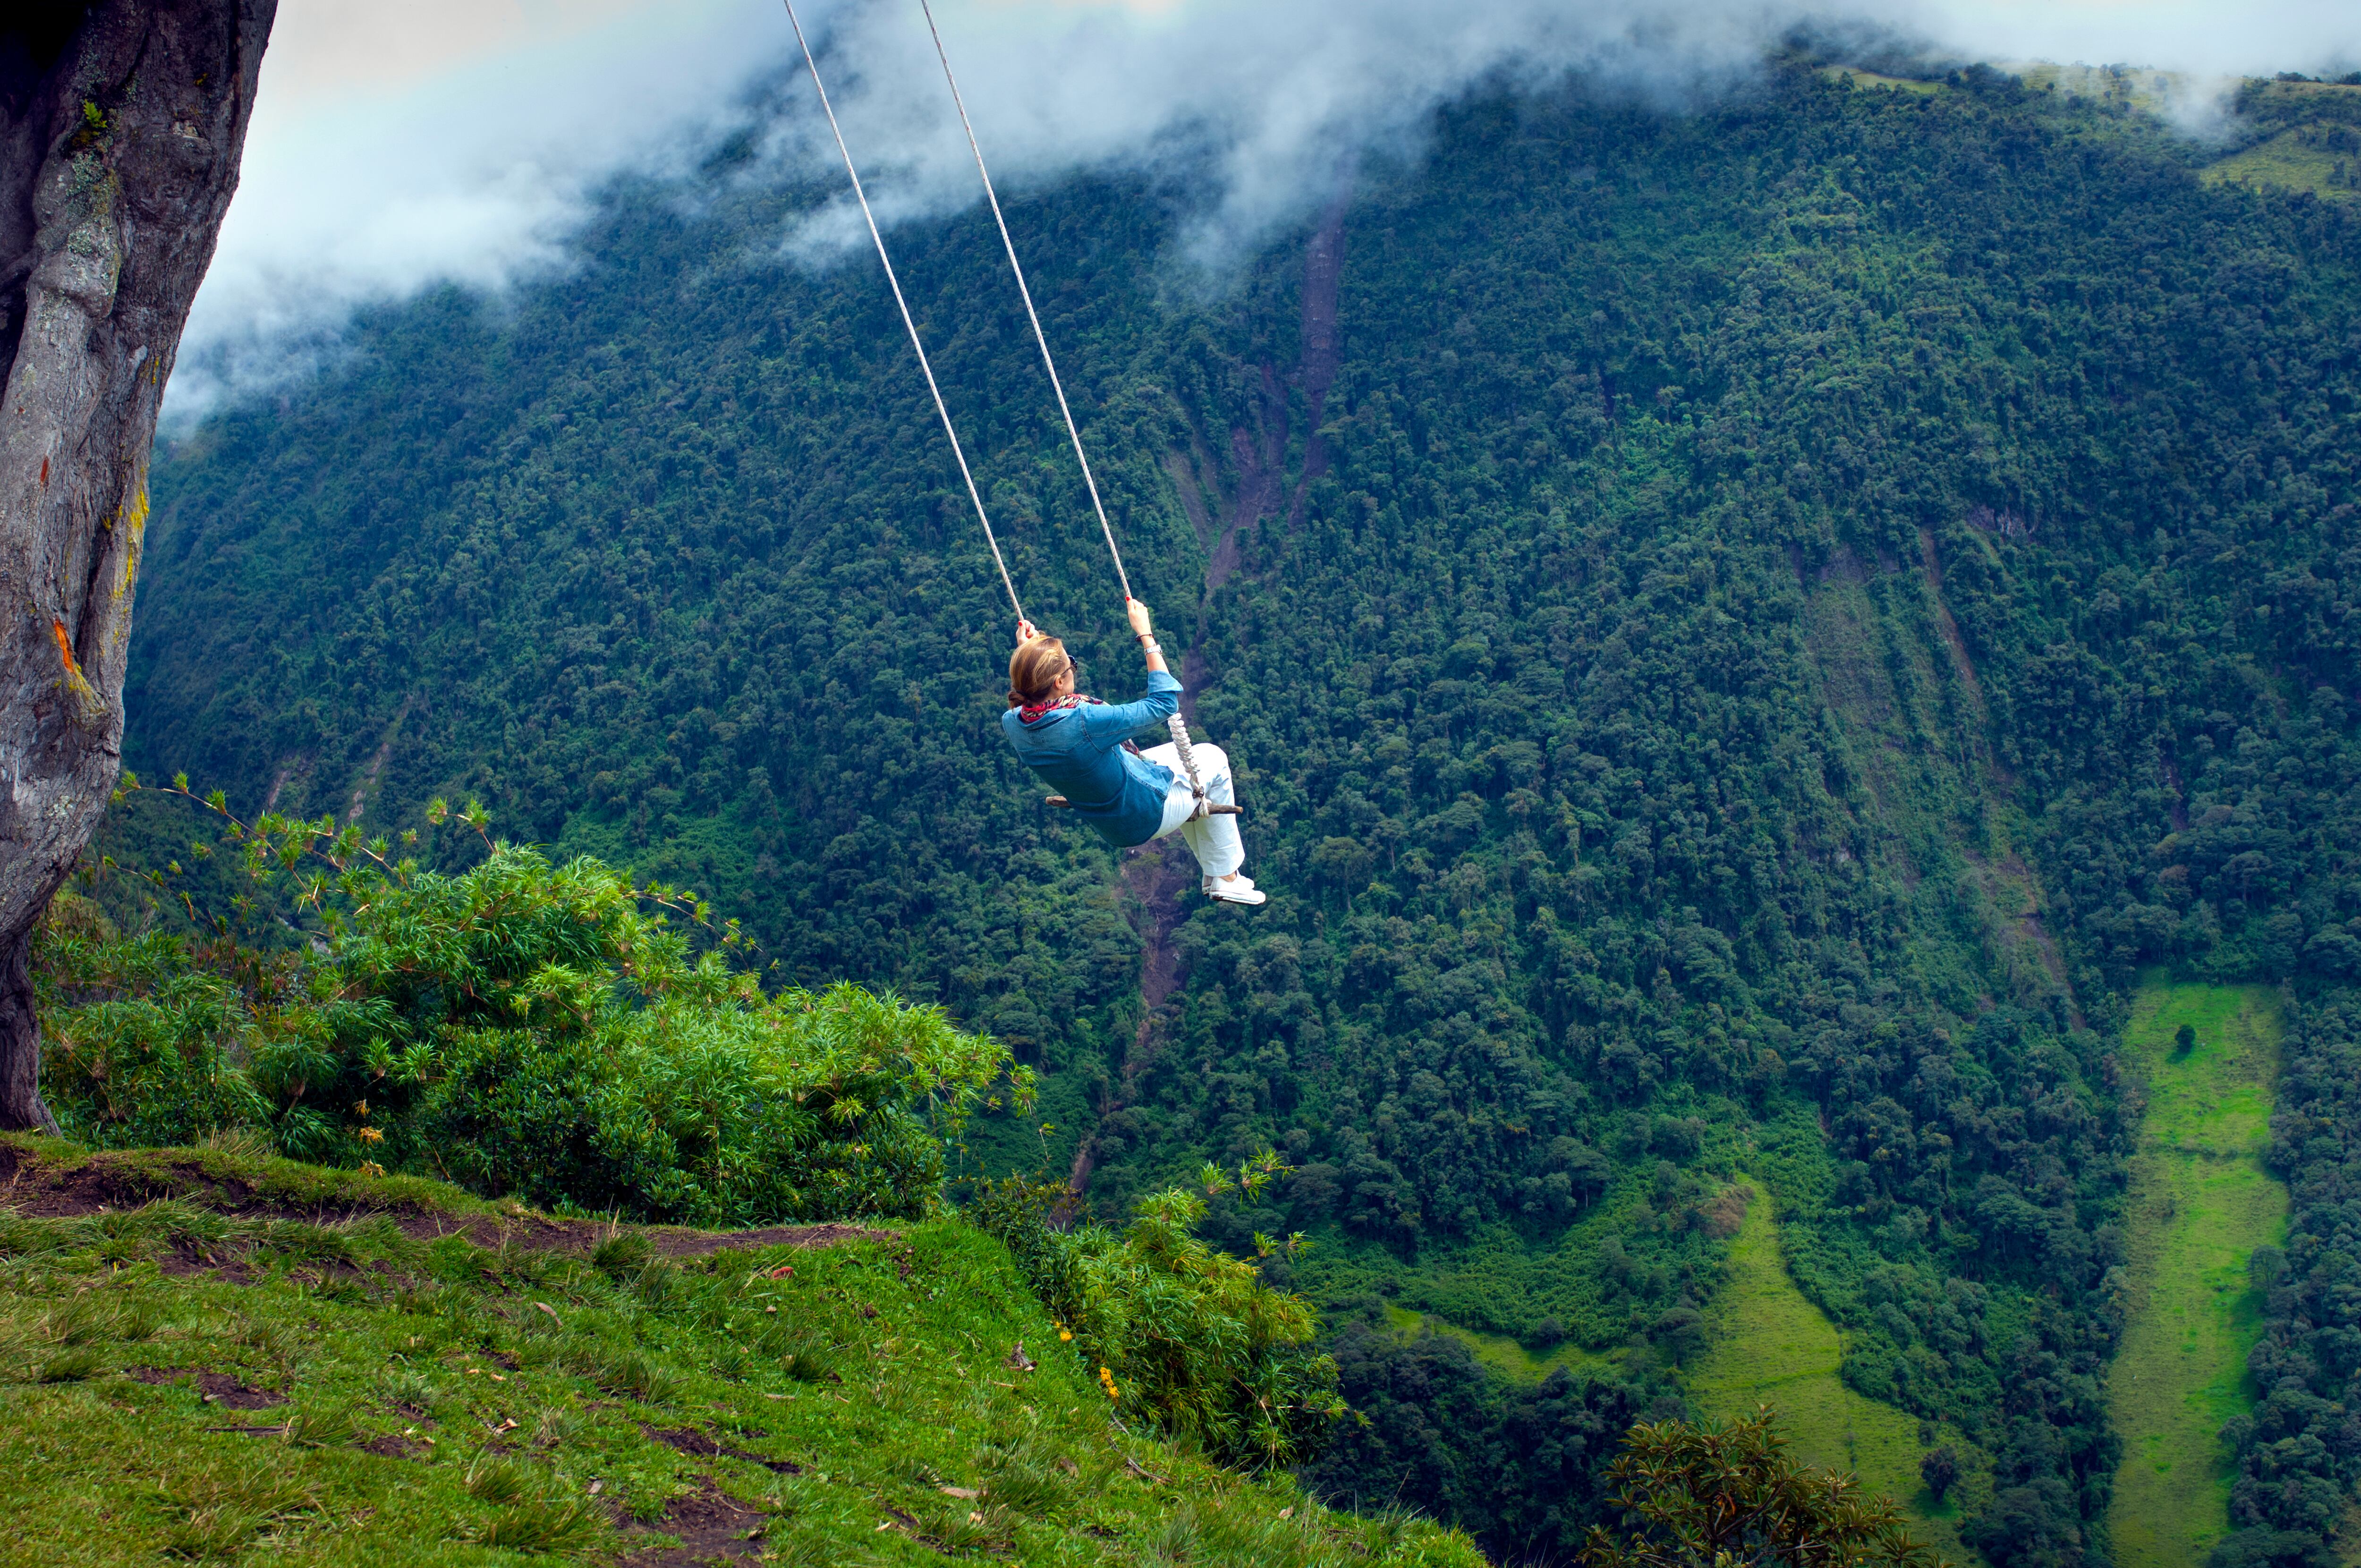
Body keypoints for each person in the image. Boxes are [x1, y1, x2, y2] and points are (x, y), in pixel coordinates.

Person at [1000, 598, 1263, 906]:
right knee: (1215, 759)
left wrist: (1027, 652)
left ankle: (1214, 871)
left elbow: (1027, 692)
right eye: (1071, 663)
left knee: (1197, 755)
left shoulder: (1014, 722)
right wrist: (1146, 635)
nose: (1074, 667)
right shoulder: (1085, 721)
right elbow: (1164, 703)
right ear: (1059, 682)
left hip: (1110, 821)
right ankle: (1226, 877)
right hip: (1143, 813)